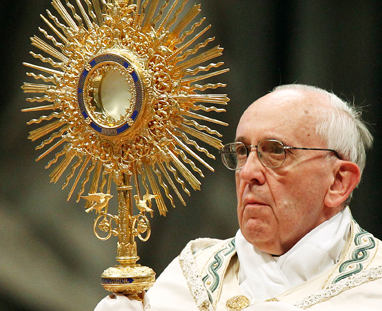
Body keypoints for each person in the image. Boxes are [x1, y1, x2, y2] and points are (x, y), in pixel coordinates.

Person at [94, 84, 382, 310]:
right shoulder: (190, 277)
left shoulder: (374, 288)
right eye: (243, 151)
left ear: (338, 182)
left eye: (276, 151)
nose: (248, 173)